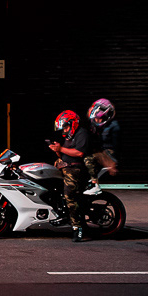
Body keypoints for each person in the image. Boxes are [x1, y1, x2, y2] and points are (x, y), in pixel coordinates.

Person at [48, 110, 94, 243]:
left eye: (66, 126)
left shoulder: (82, 134)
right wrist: (57, 150)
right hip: (66, 165)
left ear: (73, 124)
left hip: (76, 168)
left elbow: (79, 153)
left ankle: (77, 228)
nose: (64, 130)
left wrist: (61, 149)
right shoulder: (68, 136)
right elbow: (64, 155)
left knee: (70, 195)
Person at [84, 98, 119, 195]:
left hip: (108, 153)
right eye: (95, 118)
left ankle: (95, 185)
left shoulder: (114, 126)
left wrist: (112, 162)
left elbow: (116, 146)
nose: (97, 120)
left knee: (88, 159)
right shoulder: (96, 125)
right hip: (101, 150)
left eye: (99, 118)